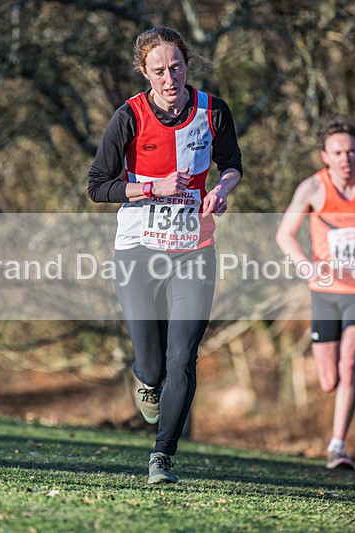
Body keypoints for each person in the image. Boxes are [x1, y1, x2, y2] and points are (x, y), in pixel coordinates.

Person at [87, 27, 242, 484]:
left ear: (187, 64)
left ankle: (162, 456)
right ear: (144, 72)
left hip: (195, 249)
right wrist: (150, 188)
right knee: (153, 366)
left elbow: (232, 164)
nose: (169, 79)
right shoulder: (128, 117)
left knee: (183, 358)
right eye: (159, 71)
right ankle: (147, 380)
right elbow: (97, 185)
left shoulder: (212, 111)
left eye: (176, 68)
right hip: (138, 250)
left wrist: (223, 189)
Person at [276, 116, 355, 469]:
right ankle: (336, 433)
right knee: (329, 380)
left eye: (351, 151)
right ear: (325, 156)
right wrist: (306, 266)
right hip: (325, 293)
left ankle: (337, 446)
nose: (345, 158)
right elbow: (284, 235)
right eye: (338, 152)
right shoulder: (312, 189)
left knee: (350, 361)